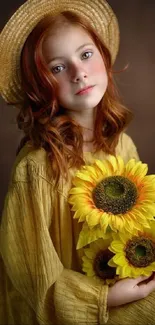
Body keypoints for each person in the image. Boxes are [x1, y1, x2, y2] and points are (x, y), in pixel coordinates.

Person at [0, 0, 155, 324]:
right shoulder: (37, 168)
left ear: (103, 55)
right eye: (57, 67)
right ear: (40, 85)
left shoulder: (121, 145)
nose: (78, 72)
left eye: (85, 55)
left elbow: (141, 223)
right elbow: (30, 272)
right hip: (72, 308)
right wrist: (106, 298)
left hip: (121, 276)